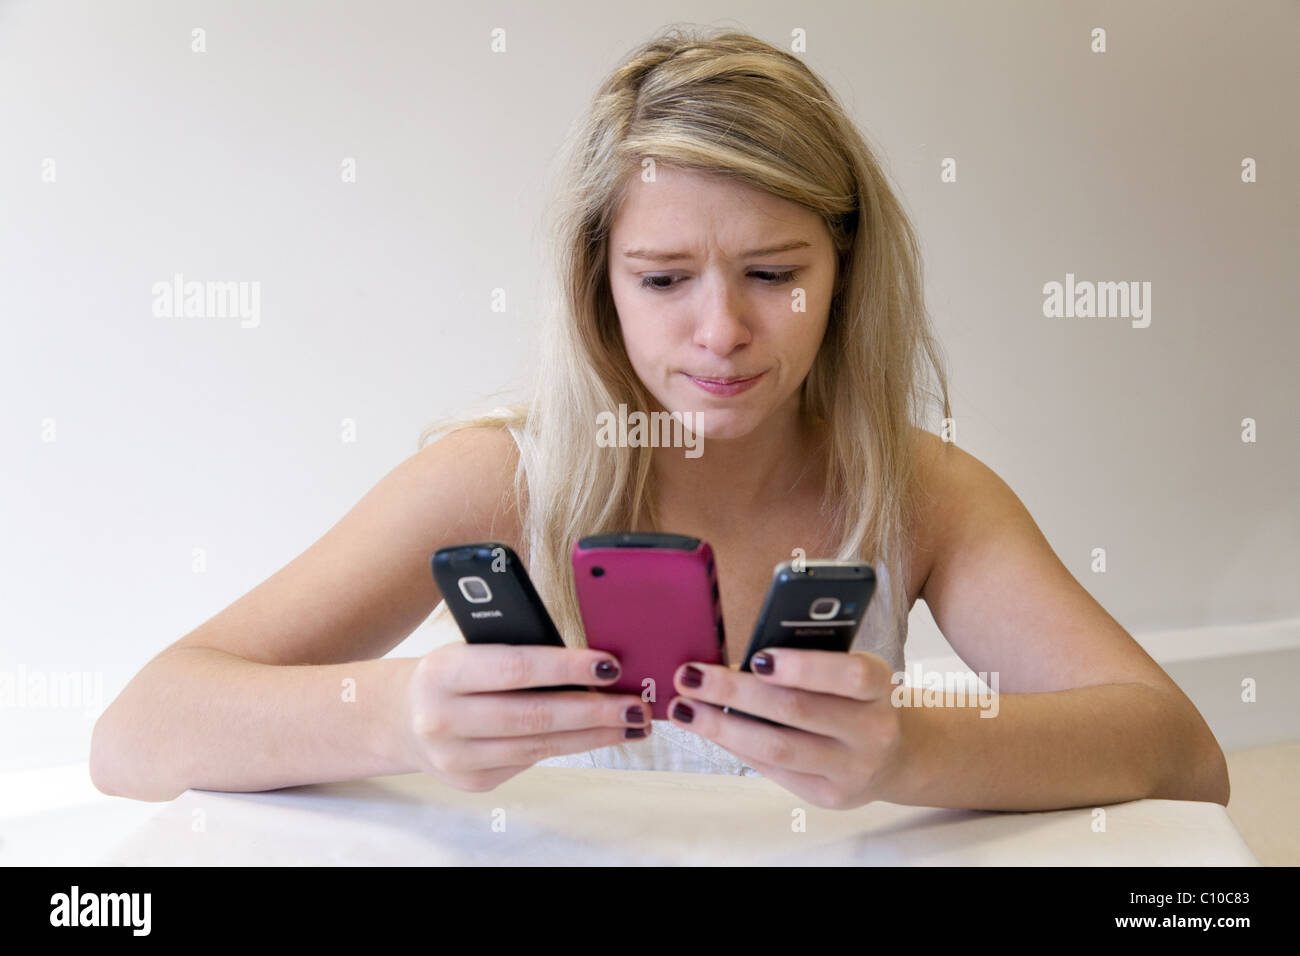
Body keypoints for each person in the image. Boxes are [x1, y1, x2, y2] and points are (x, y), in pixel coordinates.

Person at [90, 25, 1229, 811]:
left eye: (774, 272)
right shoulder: (502, 477)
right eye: (664, 277)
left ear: (843, 272)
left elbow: (1181, 755)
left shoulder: (921, 491)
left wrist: (915, 745)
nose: (721, 331)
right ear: (599, 283)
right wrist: (395, 713)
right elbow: (136, 734)